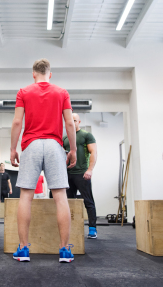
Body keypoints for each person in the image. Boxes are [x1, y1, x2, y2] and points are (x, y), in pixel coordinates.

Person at [10, 58, 78, 263]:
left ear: (33, 74)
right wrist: (73, 149)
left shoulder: (23, 92)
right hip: (54, 146)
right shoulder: (62, 92)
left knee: (25, 197)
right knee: (60, 197)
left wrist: (13, 148)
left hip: (31, 145)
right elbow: (69, 122)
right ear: (50, 74)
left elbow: (16, 122)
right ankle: (65, 250)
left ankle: (23, 249)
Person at [63, 113, 98, 239]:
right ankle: (71, 229)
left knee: (88, 201)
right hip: (68, 175)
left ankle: (92, 229)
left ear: (79, 122)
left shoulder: (86, 135)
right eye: (70, 121)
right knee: (69, 203)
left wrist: (90, 169)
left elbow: (93, 152)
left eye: (75, 120)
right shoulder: (65, 138)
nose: (72, 123)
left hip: (82, 173)